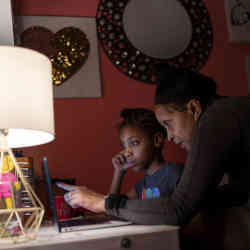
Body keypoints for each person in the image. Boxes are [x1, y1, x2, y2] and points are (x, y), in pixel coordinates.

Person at [58, 66, 250, 249]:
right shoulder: (230, 113)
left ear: (193, 108)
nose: (170, 136)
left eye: (169, 123)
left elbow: (178, 210)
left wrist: (103, 203)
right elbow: (236, 193)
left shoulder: (216, 119)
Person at [109, 108, 183, 200]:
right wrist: (119, 172)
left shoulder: (175, 173)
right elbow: (113, 206)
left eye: (134, 143)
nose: (127, 153)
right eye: (124, 146)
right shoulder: (143, 185)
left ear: (157, 140)